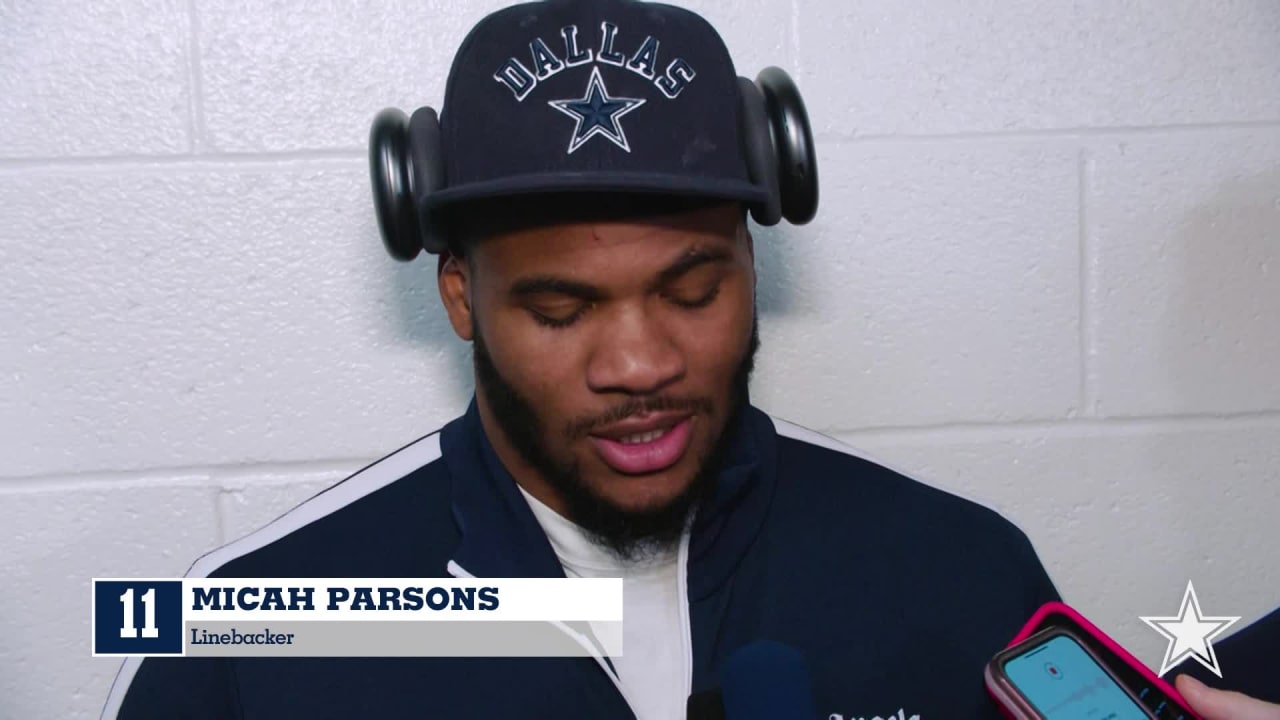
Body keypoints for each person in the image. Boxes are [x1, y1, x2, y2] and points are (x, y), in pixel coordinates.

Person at [98, 0, 1274, 718]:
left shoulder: (958, 568)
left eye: (693, 289)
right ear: (459, 293)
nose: (639, 360)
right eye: (560, 308)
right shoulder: (241, 633)